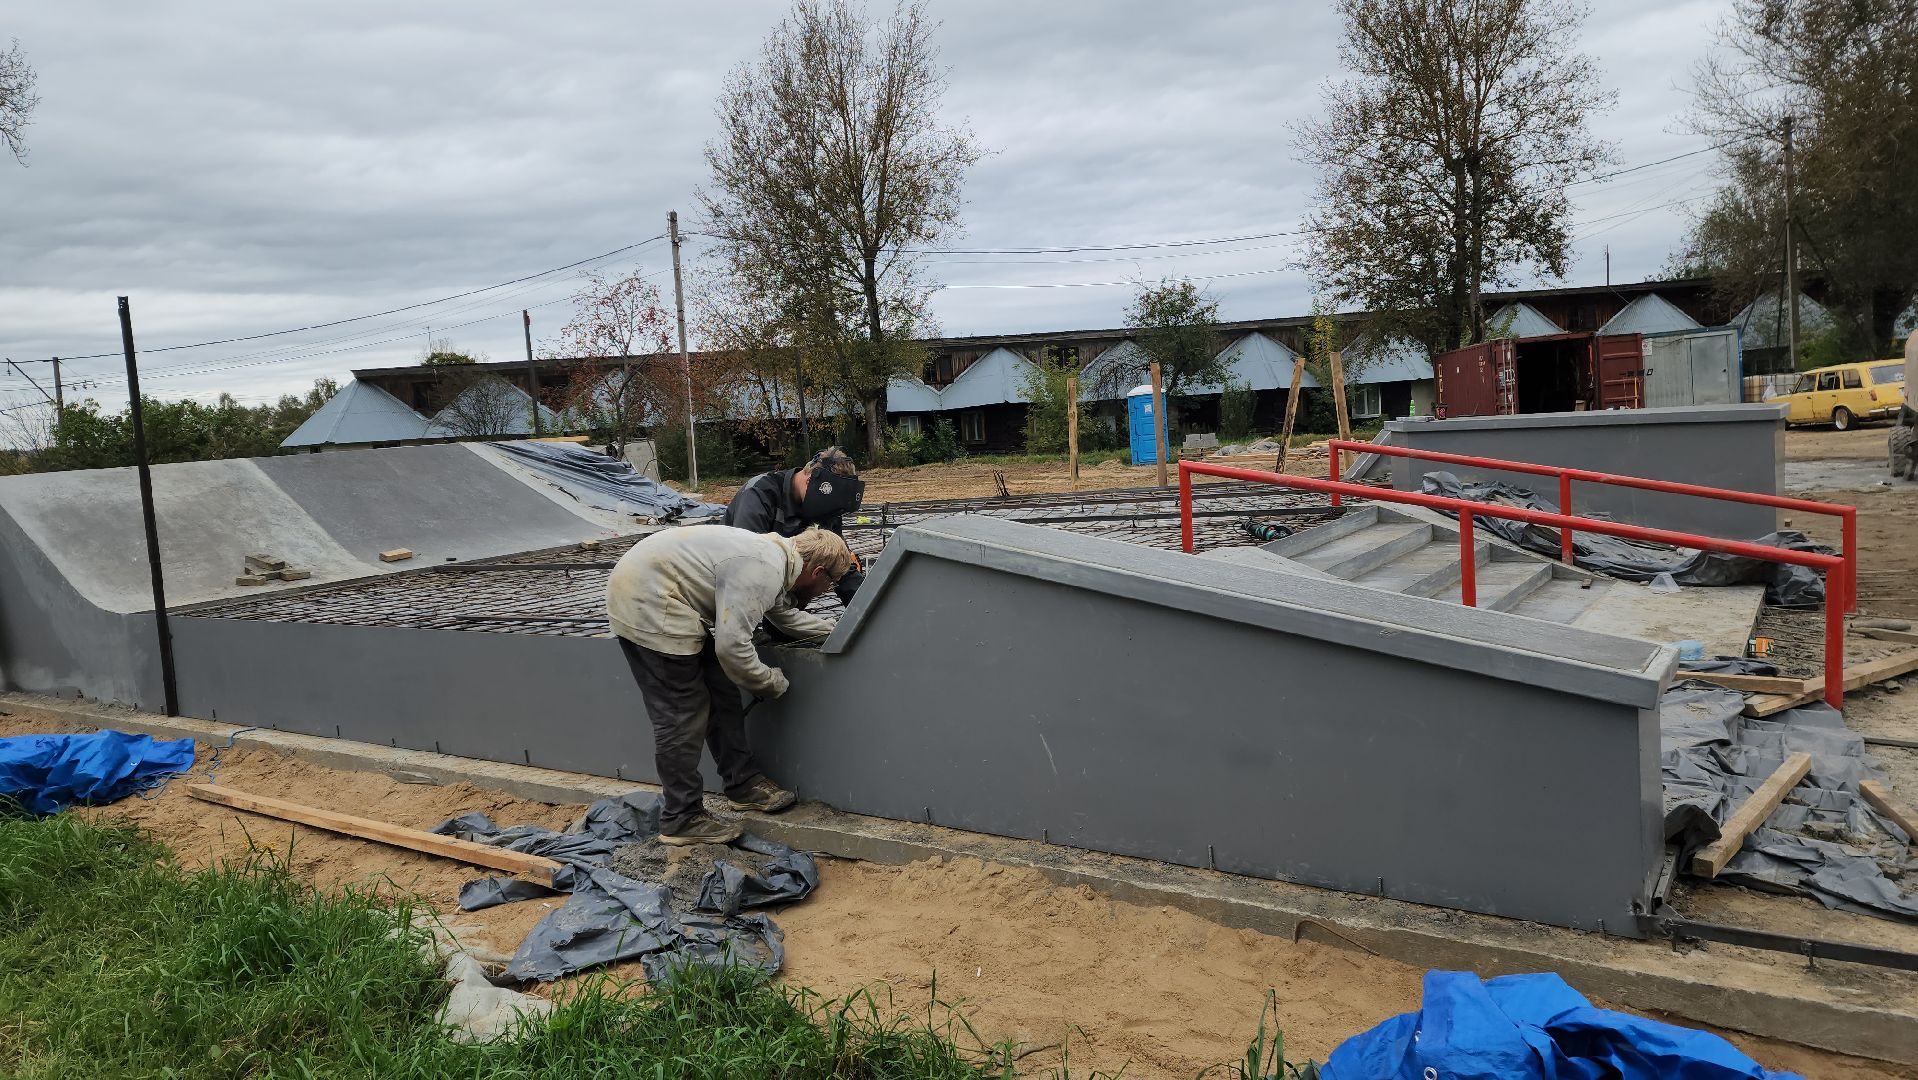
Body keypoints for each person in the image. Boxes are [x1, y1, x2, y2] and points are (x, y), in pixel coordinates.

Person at [607, 524, 854, 845]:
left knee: (721, 692)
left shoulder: (775, 558)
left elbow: (785, 618)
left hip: (664, 594)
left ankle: (743, 783)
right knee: (683, 710)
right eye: (830, 584)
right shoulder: (763, 568)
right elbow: (732, 647)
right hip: (648, 603)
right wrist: (769, 682)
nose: (826, 590)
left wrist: (839, 632)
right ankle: (682, 818)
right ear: (818, 572)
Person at [724, 447, 868, 601]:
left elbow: (839, 562)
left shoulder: (826, 506)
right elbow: (746, 561)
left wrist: (867, 607)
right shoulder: (759, 493)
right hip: (732, 582)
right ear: (809, 480)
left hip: (785, 587)